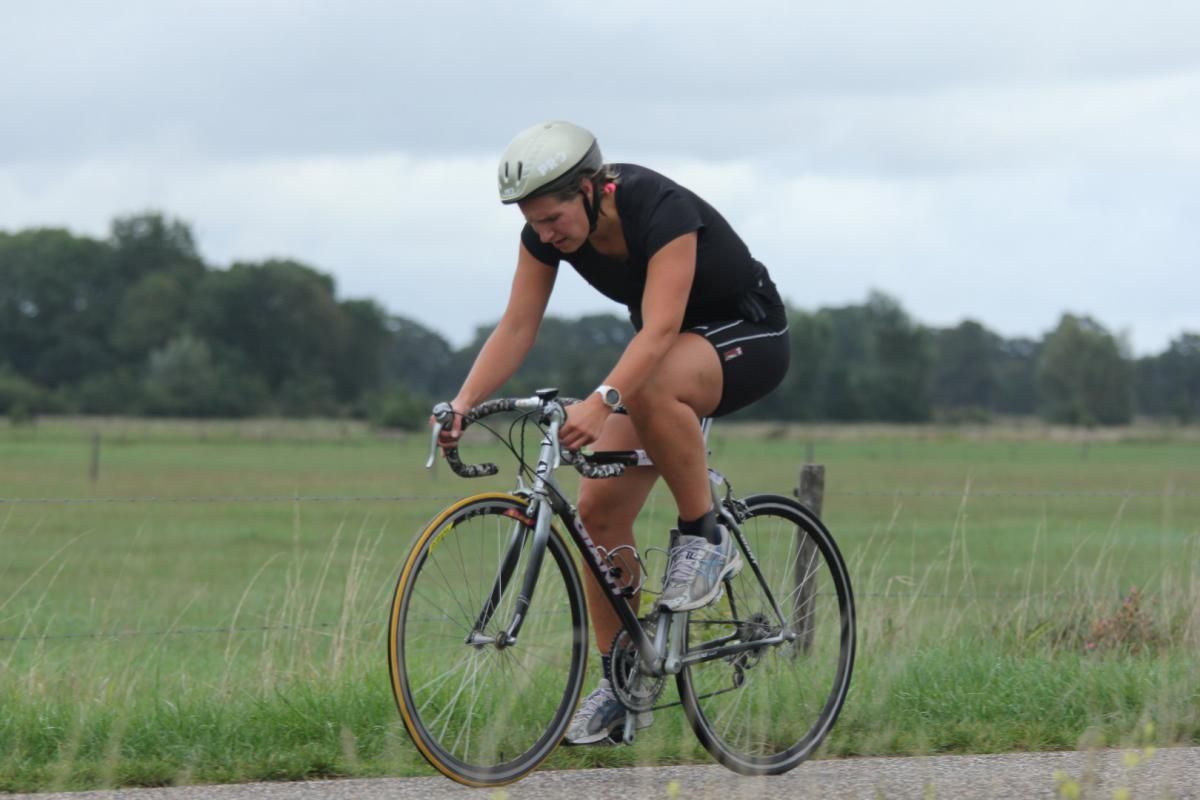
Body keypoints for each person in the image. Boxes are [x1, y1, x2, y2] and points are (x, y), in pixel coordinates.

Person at [437, 121, 790, 745]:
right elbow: (518, 327)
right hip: (663, 359)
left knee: (648, 384)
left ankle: (703, 537)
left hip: (745, 336)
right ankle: (626, 679)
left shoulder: (661, 209)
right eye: (532, 222)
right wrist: (464, 402)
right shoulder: (545, 236)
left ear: (594, 189)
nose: (545, 235)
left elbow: (658, 332)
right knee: (597, 514)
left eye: (552, 218)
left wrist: (601, 402)